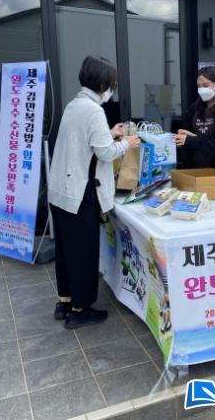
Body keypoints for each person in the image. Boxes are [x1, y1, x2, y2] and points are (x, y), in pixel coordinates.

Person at [48, 56, 140, 329]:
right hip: (81, 194)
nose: (113, 88)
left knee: (66, 252)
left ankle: (65, 301)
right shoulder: (94, 110)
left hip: (61, 191)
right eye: (113, 83)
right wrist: (127, 143)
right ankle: (80, 310)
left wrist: (109, 132)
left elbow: (85, 141)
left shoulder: (75, 105)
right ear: (103, 84)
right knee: (83, 253)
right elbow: (105, 153)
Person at [181, 66, 215, 168]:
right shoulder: (194, 109)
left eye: (205, 85)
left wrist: (194, 139)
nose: (202, 90)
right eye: (199, 87)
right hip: (196, 165)